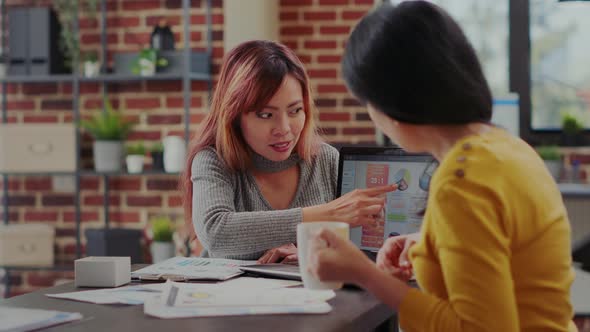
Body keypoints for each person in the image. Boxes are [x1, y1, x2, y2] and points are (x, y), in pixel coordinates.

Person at [307, 2, 576, 331]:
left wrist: (365, 275)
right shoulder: (509, 147)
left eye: (366, 101)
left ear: (393, 102)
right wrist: (432, 244)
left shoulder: (463, 178)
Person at [181, 40, 395, 262]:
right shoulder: (212, 160)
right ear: (234, 115)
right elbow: (216, 232)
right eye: (266, 115)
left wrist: (309, 251)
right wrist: (325, 215)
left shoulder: (326, 160)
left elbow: (353, 248)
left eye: (295, 110)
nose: (283, 129)